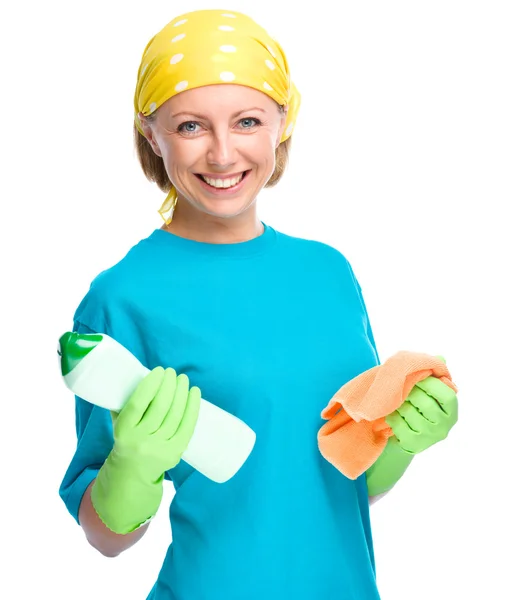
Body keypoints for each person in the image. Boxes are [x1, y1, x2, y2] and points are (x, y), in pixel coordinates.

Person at [59, 9, 458, 600]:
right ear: (152, 134)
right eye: (191, 126)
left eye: (246, 121)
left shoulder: (329, 271)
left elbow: (344, 480)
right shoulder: (123, 295)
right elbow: (106, 537)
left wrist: (401, 439)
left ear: (283, 122)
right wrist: (133, 467)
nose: (223, 154)